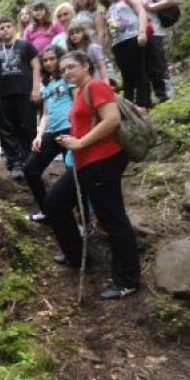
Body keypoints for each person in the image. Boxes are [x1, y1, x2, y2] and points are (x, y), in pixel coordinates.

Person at [45, 51, 141, 300]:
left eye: (72, 67)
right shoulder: (80, 90)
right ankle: (76, 255)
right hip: (86, 163)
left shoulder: (96, 85)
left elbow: (112, 120)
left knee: (113, 219)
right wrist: (72, 140)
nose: (66, 72)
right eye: (63, 68)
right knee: (55, 202)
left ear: (86, 66)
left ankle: (127, 280)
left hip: (102, 161)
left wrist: (80, 142)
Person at [23, 45, 71, 223]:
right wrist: (39, 135)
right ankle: (47, 211)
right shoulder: (46, 83)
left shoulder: (68, 79)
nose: (49, 63)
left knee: (74, 174)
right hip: (51, 132)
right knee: (30, 169)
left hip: (70, 131)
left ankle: (83, 221)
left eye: (52, 59)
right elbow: (45, 113)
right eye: (45, 60)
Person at [0, 17, 42, 179]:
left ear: (13, 28)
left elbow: (36, 67)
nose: (5, 29)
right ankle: (14, 162)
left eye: (8, 26)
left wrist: (36, 88)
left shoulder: (26, 46)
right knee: (7, 129)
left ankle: (29, 160)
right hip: (3, 95)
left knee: (28, 127)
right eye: (2, 28)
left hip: (24, 93)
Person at [124, 0, 177, 103]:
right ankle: (156, 95)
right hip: (138, 36)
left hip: (155, 32)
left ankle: (166, 95)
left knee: (158, 64)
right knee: (146, 67)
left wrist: (152, 6)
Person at [99, 0, 151, 111]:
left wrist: (142, 32)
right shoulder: (107, 10)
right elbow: (108, 31)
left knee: (140, 70)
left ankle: (143, 103)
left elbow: (141, 12)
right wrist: (108, 47)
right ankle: (128, 104)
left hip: (133, 37)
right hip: (118, 44)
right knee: (126, 75)